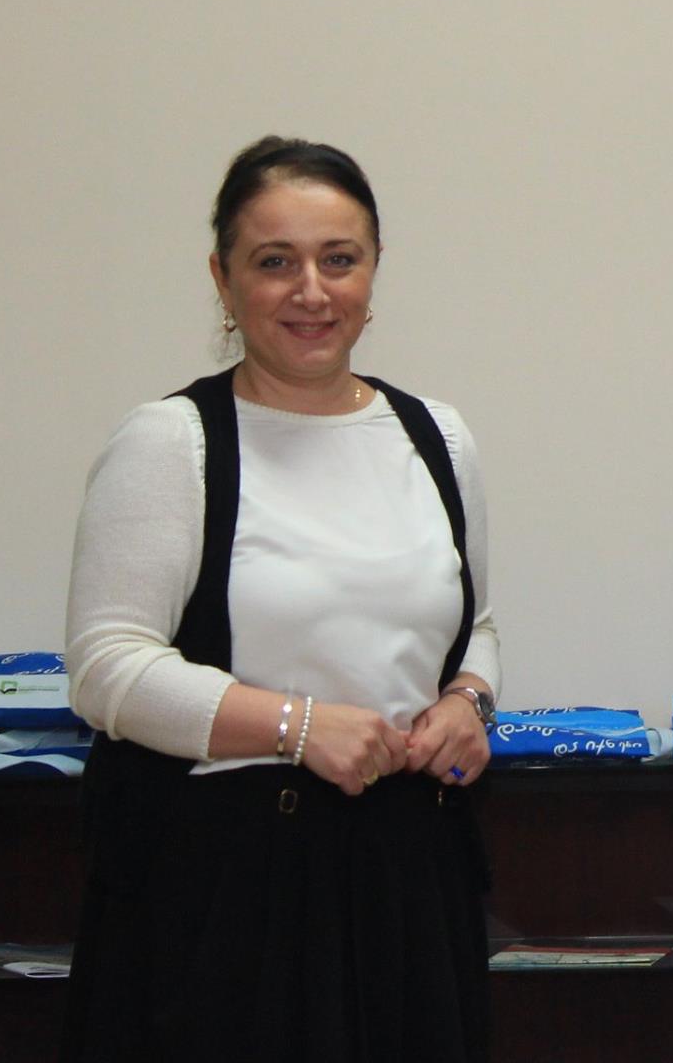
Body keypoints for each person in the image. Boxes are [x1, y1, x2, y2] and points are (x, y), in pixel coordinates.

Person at [62, 136, 500, 1063]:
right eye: (275, 262)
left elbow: (475, 625)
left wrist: (470, 701)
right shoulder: (173, 442)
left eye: (339, 260)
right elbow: (107, 668)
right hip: (225, 898)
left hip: (408, 878)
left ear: (374, 270)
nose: (312, 291)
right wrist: (300, 727)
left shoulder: (437, 437)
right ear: (222, 280)